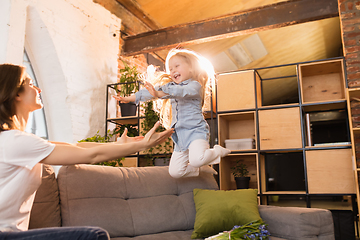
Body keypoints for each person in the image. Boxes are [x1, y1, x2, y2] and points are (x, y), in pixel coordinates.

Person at [0, 64, 174, 240]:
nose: (38, 88)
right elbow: (91, 156)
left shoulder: (16, 141)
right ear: (15, 93)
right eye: (30, 84)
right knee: (93, 236)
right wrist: (142, 145)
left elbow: (77, 148)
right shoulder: (14, 141)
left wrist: (118, 144)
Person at [114, 49, 231, 178]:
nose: (173, 70)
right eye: (170, 68)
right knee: (175, 172)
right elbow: (150, 92)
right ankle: (199, 170)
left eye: (177, 66)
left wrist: (158, 93)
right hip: (180, 136)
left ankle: (217, 152)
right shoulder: (170, 87)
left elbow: (181, 92)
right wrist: (128, 99)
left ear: (191, 68)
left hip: (196, 132)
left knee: (196, 160)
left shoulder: (194, 86)